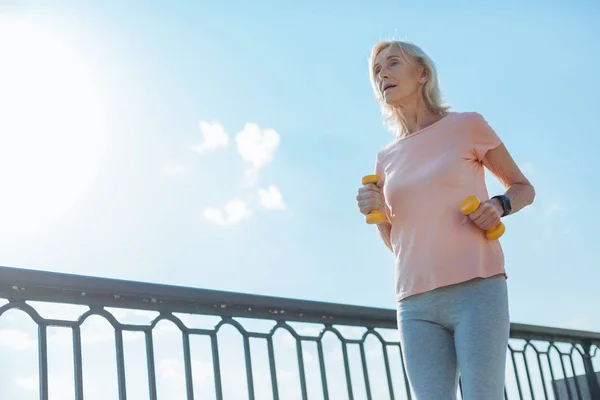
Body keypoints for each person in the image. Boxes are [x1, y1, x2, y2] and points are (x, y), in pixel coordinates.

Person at [356, 40, 535, 399]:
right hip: (415, 302)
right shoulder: (385, 158)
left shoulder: (466, 126)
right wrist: (375, 214)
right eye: (377, 70)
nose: (383, 74)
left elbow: (523, 188)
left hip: (477, 289)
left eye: (393, 64)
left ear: (422, 73)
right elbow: (398, 243)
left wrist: (498, 205)